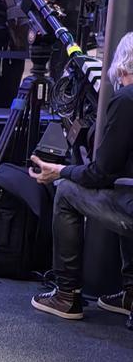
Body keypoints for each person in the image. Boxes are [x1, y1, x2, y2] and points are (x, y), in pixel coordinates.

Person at [29, 31, 133, 319]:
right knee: (123, 187)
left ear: (122, 66)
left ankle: (66, 296)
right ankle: (131, 293)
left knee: (66, 192)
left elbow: (100, 174)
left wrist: (61, 171)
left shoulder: (126, 100)